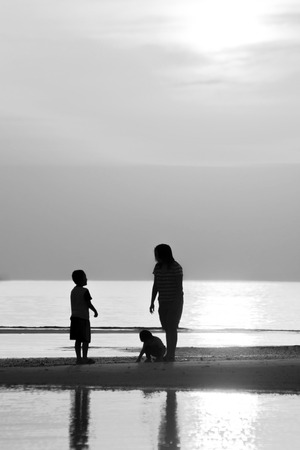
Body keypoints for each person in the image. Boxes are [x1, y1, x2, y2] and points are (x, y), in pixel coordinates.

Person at [150, 244, 183, 362]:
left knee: (172, 327)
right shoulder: (157, 267)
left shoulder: (176, 267)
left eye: (157, 253)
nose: (156, 256)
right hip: (162, 301)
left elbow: (179, 288)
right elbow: (156, 285)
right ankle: (168, 354)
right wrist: (152, 301)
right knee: (166, 327)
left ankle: (171, 355)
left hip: (175, 301)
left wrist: (176, 303)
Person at [70, 269, 98, 364]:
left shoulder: (73, 291)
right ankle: (84, 357)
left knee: (78, 340)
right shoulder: (85, 291)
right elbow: (88, 303)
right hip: (83, 318)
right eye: (85, 277)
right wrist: (95, 311)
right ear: (81, 279)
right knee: (85, 339)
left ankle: (78, 358)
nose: (87, 279)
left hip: (74, 318)